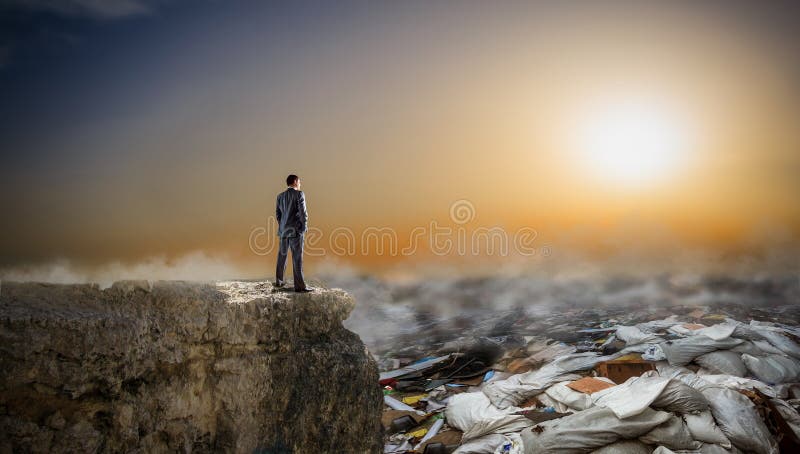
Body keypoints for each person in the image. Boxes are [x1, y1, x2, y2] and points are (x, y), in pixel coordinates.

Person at [274, 174, 313, 292]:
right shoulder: (299, 194)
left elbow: (278, 214)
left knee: (282, 257)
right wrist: (304, 227)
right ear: (295, 182)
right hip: (296, 231)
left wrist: (283, 226)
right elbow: (303, 213)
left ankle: (279, 282)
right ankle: (300, 287)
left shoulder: (280, 196)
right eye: (299, 182)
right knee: (297, 258)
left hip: (283, 231)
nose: (300, 184)